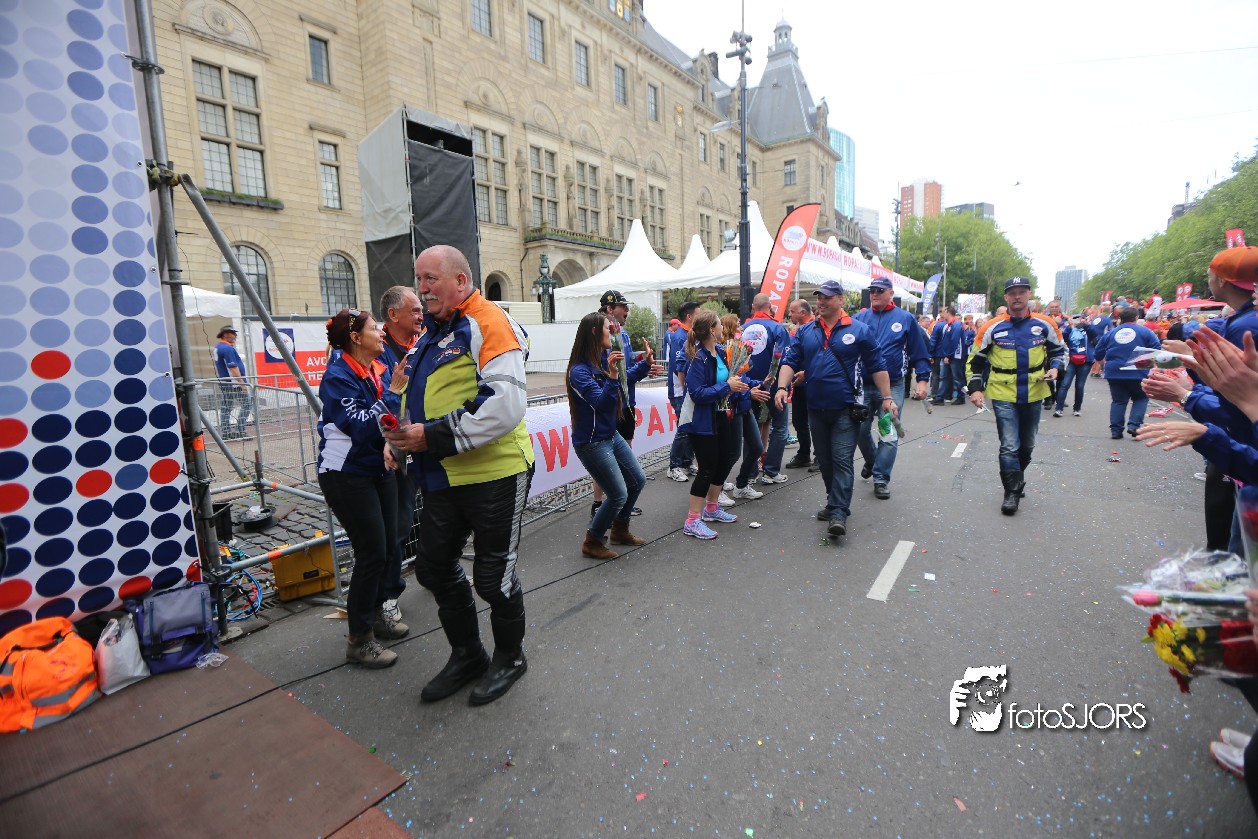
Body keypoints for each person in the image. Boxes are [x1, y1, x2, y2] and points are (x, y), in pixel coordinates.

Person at [385, 245, 534, 706]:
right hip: (443, 477)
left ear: (461, 281)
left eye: (430, 278)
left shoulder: (487, 321)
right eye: (419, 279)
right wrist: (399, 440)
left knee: (492, 578)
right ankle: (468, 654)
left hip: (495, 472)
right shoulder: (431, 332)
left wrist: (429, 437)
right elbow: (412, 395)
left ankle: (510, 658)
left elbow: (505, 404)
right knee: (432, 567)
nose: (422, 289)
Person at [317, 309, 410, 668]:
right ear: (355, 338)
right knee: (371, 552)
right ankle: (359, 639)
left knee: (387, 548)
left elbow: (389, 421)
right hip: (346, 474)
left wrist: (391, 442)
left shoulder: (378, 369)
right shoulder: (337, 376)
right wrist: (393, 392)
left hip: (376, 467)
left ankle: (375, 619)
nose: (381, 333)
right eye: (374, 329)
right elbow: (361, 425)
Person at [775, 280, 891, 538]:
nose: (821, 302)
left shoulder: (859, 330)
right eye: (819, 297)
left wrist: (887, 397)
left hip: (846, 408)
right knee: (825, 462)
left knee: (841, 460)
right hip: (816, 408)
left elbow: (877, 365)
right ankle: (833, 501)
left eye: (827, 297)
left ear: (840, 299)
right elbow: (790, 360)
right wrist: (782, 387)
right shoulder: (806, 331)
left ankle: (839, 512)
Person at [966, 277, 1066, 515]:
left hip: (1034, 391)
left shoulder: (1046, 324)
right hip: (1002, 393)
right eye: (1013, 293)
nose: (1017, 296)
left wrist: (1056, 368)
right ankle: (1011, 492)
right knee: (1009, 445)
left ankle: (1017, 477)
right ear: (1006, 297)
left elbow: (1060, 351)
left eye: (1022, 292)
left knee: (1027, 445)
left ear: (1029, 294)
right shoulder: (991, 327)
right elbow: (975, 361)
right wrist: (975, 388)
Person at [566, 312, 647, 559]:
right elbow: (602, 404)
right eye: (607, 328)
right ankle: (592, 541)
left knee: (637, 480)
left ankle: (620, 530)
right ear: (594, 332)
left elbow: (623, 380)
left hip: (610, 435)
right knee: (618, 494)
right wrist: (612, 375)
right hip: (592, 443)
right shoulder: (579, 372)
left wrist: (645, 365)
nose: (612, 332)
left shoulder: (601, 361)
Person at [853, 276, 930, 499]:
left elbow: (919, 352)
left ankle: (880, 478)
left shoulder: (905, 319)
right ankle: (873, 461)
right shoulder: (859, 318)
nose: (875, 294)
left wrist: (922, 380)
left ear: (891, 293)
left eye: (880, 290)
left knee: (888, 431)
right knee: (859, 430)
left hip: (892, 386)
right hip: (864, 385)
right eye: (872, 290)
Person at [589, 290, 662, 519]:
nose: (627, 310)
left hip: (627, 402)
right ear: (610, 309)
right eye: (623, 306)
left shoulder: (624, 334)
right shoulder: (600, 336)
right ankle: (599, 504)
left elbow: (627, 368)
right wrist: (643, 368)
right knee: (606, 458)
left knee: (624, 453)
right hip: (610, 403)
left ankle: (621, 501)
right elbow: (618, 376)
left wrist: (644, 364)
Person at [376, 285, 425, 626]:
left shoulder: (421, 344)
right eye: (415, 311)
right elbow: (377, 402)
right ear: (393, 315)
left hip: (424, 444)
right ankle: (388, 596)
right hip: (393, 452)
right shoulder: (376, 350)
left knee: (432, 515)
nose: (422, 316)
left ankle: (435, 572)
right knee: (398, 526)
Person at [677, 309, 749, 539]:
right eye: (719, 324)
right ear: (711, 330)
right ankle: (692, 521)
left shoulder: (719, 352)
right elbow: (697, 393)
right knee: (707, 469)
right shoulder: (698, 358)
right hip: (701, 421)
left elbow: (728, 381)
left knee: (723, 461)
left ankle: (711, 508)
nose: (723, 328)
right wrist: (727, 386)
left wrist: (749, 386)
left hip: (720, 416)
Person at [741, 293, 792, 485]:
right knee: (780, 428)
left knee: (751, 429)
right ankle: (771, 471)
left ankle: (750, 473)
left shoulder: (742, 329)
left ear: (753, 307)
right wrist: (784, 386)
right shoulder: (777, 328)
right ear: (770, 307)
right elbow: (786, 359)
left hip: (748, 387)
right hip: (774, 387)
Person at [1093, 306, 1161, 439]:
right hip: (1138, 370)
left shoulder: (1111, 333)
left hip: (1115, 370)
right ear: (1136, 317)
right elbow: (1156, 349)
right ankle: (1134, 426)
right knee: (1141, 398)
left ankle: (1116, 430)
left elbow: (1098, 352)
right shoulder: (1145, 332)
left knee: (1118, 401)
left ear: (1120, 318)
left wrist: (1102, 362)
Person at [665, 302, 699, 482]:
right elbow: (679, 368)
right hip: (680, 391)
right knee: (684, 428)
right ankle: (674, 466)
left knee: (690, 427)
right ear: (689, 316)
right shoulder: (680, 337)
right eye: (698, 314)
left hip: (687, 390)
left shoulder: (689, 335)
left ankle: (686, 462)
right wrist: (687, 388)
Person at [784, 299, 816, 469]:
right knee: (799, 420)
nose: (789, 314)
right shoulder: (799, 330)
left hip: (814, 383)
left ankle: (820, 456)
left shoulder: (817, 328)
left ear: (803, 312)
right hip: (799, 385)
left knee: (816, 421)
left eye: (792, 311)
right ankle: (804, 454)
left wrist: (807, 373)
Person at [1053, 314, 1093, 417]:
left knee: (1079, 386)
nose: (1077, 321)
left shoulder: (1088, 330)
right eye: (1075, 319)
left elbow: (1094, 334)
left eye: (1080, 319)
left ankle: (1077, 408)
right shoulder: (1070, 330)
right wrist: (1069, 326)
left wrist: (1085, 325)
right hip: (1072, 360)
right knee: (1065, 384)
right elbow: (1063, 337)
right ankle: (1058, 409)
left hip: (1086, 361)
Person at [213, 326, 249, 438]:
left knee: (226, 407)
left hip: (226, 382)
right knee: (247, 404)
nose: (235, 335)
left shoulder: (218, 347)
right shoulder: (227, 348)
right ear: (225, 334)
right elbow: (233, 367)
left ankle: (226, 432)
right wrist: (242, 384)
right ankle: (239, 430)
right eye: (233, 333)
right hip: (234, 384)